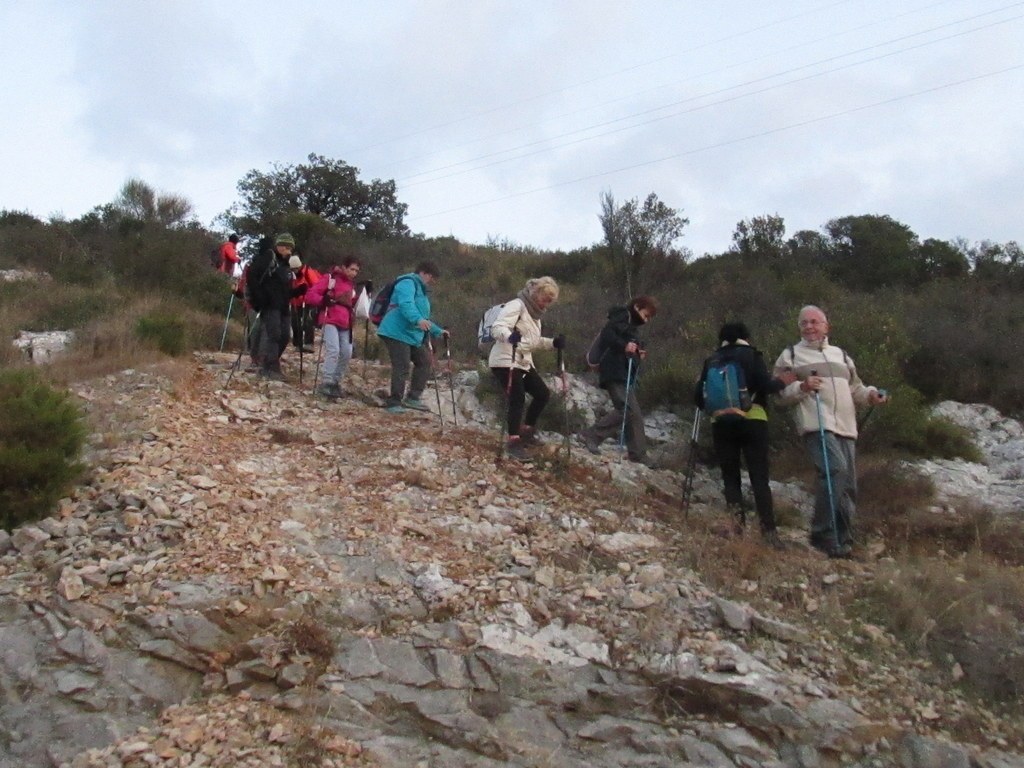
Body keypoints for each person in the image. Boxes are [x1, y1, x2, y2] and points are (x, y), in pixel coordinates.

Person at [772, 305, 889, 558]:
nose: (810, 327)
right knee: (835, 469)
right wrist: (802, 386)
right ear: (799, 327)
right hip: (816, 423)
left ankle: (843, 540)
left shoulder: (842, 356)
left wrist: (871, 395)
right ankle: (822, 534)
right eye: (804, 323)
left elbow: (855, 388)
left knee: (847, 484)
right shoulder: (791, 356)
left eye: (815, 322)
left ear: (826, 326)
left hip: (846, 426)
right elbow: (779, 394)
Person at [695, 322, 795, 547]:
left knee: (730, 478)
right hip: (753, 421)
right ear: (745, 336)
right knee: (759, 478)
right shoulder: (751, 355)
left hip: (721, 423)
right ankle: (768, 533)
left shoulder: (711, 360)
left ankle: (736, 528)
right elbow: (765, 385)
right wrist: (782, 381)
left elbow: (699, 399)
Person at [488, 277, 565, 462]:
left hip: (523, 362)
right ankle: (514, 442)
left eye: (549, 301)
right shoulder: (517, 305)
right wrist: (509, 336)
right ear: (536, 293)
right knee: (517, 397)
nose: (546, 304)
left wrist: (553, 343)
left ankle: (526, 431)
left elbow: (533, 342)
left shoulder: (535, 316)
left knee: (542, 394)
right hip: (505, 359)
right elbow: (497, 327)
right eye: (545, 298)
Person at [579, 295, 659, 464]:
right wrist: (625, 346)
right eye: (646, 315)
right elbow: (608, 335)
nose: (646, 320)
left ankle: (638, 453)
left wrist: (637, 352)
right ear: (637, 307)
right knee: (626, 410)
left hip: (622, 372)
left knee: (634, 413)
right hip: (614, 371)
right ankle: (591, 435)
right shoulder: (622, 315)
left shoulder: (630, 325)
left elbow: (625, 344)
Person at [377, 261, 447, 413]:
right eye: (431, 278)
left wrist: (437, 331)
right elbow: (406, 304)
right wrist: (417, 320)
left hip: (411, 335)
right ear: (423, 273)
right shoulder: (407, 283)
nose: (431, 282)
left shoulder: (421, 290)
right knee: (402, 365)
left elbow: (423, 317)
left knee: (425, 361)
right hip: (395, 331)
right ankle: (394, 402)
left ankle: (413, 397)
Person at [306, 256, 362, 399]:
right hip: (329, 318)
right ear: (343, 267)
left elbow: (353, 302)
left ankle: (335, 382)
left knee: (346, 352)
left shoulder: (351, 285)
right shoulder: (330, 279)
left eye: (356, 270)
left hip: (345, 322)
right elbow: (310, 295)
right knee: (333, 350)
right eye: (351, 269)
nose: (354, 273)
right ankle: (327, 382)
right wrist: (323, 300)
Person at [248, 233, 299, 381]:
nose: (289, 251)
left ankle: (270, 364)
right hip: (270, 305)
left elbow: (283, 289)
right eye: (286, 247)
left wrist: (297, 292)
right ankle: (270, 367)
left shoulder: (285, 265)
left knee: (285, 336)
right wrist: (260, 299)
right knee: (274, 334)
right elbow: (252, 277)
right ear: (279, 246)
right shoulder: (268, 258)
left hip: (283, 305)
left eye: (291, 248)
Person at [290, 256, 321, 353]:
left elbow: (317, 286)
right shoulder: (291, 275)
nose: (295, 271)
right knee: (295, 322)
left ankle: (309, 344)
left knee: (308, 321)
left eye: (296, 269)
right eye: (293, 269)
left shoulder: (308, 272)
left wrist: (308, 292)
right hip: (296, 301)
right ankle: (298, 344)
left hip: (308, 301)